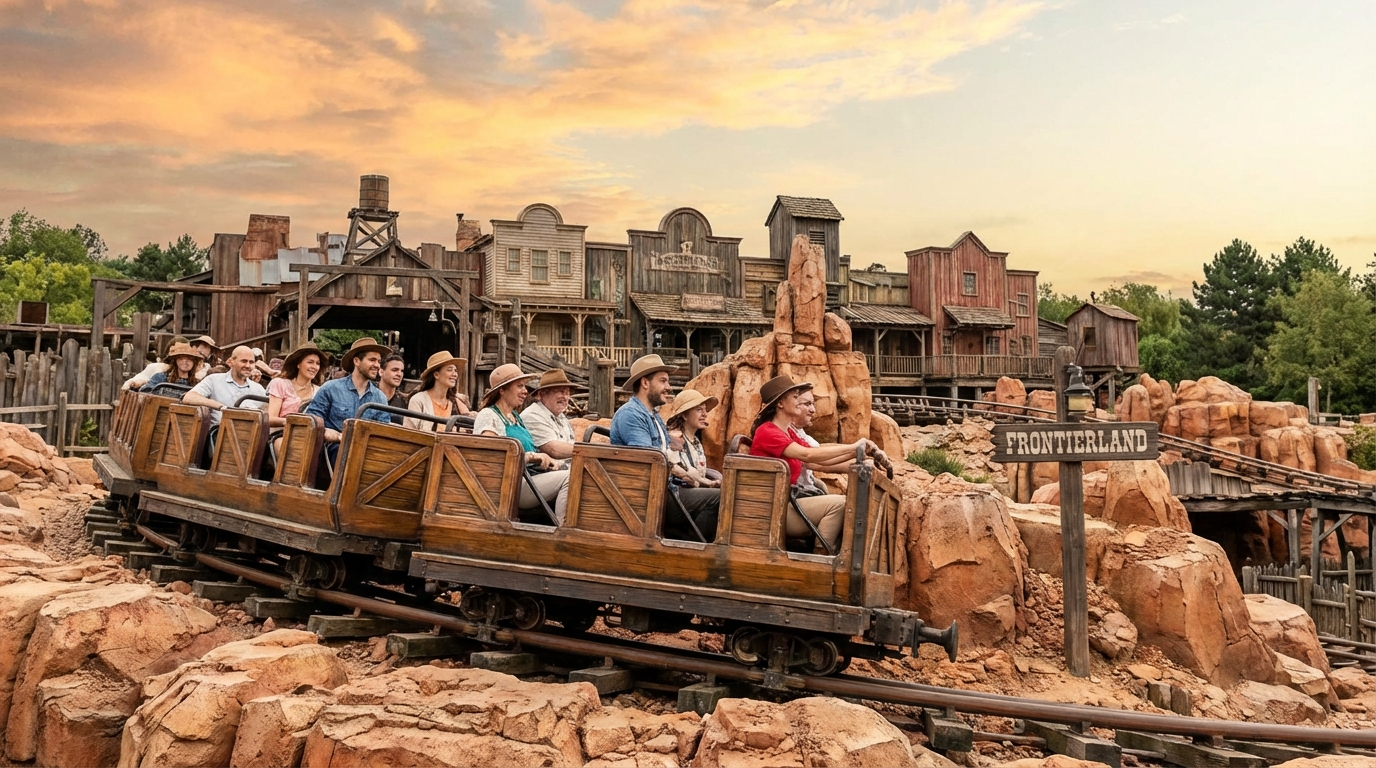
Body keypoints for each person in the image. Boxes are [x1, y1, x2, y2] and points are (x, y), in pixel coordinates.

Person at [748, 374, 887, 553]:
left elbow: (820, 461)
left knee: (844, 503)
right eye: (796, 397)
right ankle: (822, 556)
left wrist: (860, 454)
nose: (800, 402)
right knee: (840, 504)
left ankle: (829, 552)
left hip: (784, 501)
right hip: (771, 509)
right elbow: (808, 455)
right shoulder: (767, 431)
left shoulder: (787, 433)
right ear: (780, 404)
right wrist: (855, 446)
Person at [609, 354, 719, 540]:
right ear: (645, 383)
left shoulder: (654, 416)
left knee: (718, 493)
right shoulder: (631, 415)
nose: (668, 387)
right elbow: (650, 460)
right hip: (645, 496)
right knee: (718, 499)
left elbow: (665, 454)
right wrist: (685, 474)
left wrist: (702, 479)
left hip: (664, 489)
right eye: (663, 381)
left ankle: (694, 541)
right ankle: (694, 547)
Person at [473, 364, 570, 523]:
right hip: (510, 485)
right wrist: (532, 456)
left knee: (580, 474)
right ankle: (564, 529)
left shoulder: (516, 417)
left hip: (530, 476)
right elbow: (492, 456)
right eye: (519, 386)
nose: (525, 391)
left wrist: (551, 462)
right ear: (502, 390)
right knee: (570, 478)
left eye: (524, 386)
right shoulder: (488, 415)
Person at [304, 337, 394, 462]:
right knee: (349, 453)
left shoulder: (380, 398)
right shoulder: (331, 388)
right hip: (332, 450)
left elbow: (383, 433)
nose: (377, 365)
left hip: (367, 452)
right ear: (356, 361)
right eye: (372, 360)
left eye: (379, 361)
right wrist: (332, 434)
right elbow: (311, 421)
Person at [182, 345, 266, 426]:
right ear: (231, 362)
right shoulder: (214, 380)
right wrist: (221, 407)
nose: (248, 366)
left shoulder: (258, 389)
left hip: (249, 434)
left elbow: (268, 414)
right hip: (218, 433)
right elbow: (188, 397)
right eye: (243, 361)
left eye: (251, 362)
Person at [521, 368, 581, 468]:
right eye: (561, 392)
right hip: (543, 474)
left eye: (567, 392)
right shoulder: (532, 415)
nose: (565, 397)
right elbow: (554, 450)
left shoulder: (561, 417)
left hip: (565, 470)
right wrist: (589, 451)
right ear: (541, 395)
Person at [665, 389, 721, 488]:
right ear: (685, 415)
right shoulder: (675, 438)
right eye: (699, 410)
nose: (705, 414)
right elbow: (674, 469)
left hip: (696, 489)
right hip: (680, 491)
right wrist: (706, 482)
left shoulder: (695, 441)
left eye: (705, 410)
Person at [404, 351, 470, 431]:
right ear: (436, 375)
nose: (455, 374)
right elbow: (409, 433)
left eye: (455, 370)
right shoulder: (418, 400)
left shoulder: (455, 403)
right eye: (449, 370)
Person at [266, 343, 324, 427]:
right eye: (310, 362)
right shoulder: (280, 384)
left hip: (309, 434)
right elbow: (270, 418)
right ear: (298, 364)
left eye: (317, 363)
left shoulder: (319, 391)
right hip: (281, 432)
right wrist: (290, 421)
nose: (314, 367)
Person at [138, 343, 204, 393]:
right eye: (181, 359)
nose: (185, 362)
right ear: (175, 361)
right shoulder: (160, 377)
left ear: (194, 362)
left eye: (189, 359)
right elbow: (145, 392)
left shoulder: (198, 384)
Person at [378, 353, 409, 424]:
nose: (399, 374)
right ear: (381, 372)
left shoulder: (404, 401)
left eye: (402, 371)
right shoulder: (370, 394)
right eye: (394, 370)